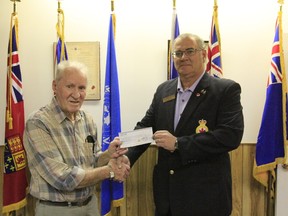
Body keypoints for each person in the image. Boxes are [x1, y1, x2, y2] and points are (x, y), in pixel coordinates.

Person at [126, 33, 244, 216]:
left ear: (204, 55)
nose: (184, 57)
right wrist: (125, 155)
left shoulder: (225, 90)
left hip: (206, 199)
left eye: (190, 51)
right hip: (168, 199)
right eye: (178, 53)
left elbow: (231, 136)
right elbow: (146, 127)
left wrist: (179, 143)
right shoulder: (163, 90)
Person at [23, 60, 130, 216]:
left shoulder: (87, 120)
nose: (76, 94)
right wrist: (110, 171)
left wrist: (108, 155)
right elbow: (63, 178)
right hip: (56, 210)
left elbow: (92, 162)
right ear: (54, 86)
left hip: (90, 206)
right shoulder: (38, 123)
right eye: (70, 86)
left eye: (81, 88)